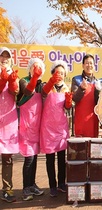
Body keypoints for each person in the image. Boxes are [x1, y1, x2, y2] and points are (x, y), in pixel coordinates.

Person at [40, 60, 72, 197]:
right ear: (53, 73)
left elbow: (67, 108)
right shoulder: (47, 86)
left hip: (61, 127)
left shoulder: (66, 87)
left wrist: (69, 102)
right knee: (50, 158)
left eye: (63, 73)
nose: (60, 75)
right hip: (48, 127)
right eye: (58, 73)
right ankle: (52, 185)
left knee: (61, 157)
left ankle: (61, 184)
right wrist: (51, 82)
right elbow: (43, 92)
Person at [17, 58, 45, 201]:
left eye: (39, 68)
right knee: (29, 159)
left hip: (36, 127)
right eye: (34, 67)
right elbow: (27, 92)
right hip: (26, 126)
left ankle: (32, 184)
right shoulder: (23, 80)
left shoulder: (41, 85)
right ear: (30, 68)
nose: (37, 70)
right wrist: (33, 78)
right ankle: (26, 188)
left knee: (34, 158)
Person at [0, 47, 19, 203]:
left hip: (8, 120)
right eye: (2, 56)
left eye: (7, 56)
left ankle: (7, 190)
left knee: (7, 157)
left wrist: (12, 81)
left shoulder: (14, 73)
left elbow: (16, 93)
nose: (4, 58)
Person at [71, 54, 101, 137]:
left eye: (91, 63)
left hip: (93, 120)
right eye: (87, 63)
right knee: (81, 148)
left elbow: (99, 103)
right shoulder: (76, 80)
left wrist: (98, 91)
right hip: (81, 120)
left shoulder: (97, 82)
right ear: (83, 65)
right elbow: (74, 98)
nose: (89, 65)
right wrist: (81, 88)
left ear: (94, 66)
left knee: (93, 146)